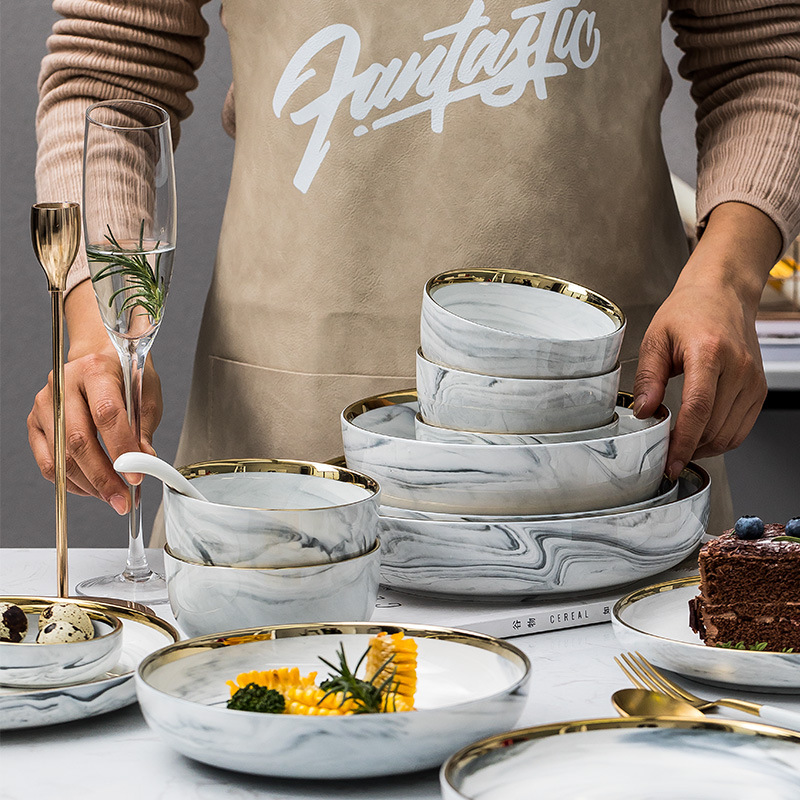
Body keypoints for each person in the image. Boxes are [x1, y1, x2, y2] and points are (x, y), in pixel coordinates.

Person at [28, 0, 800, 543]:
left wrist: (724, 282)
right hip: (279, 463)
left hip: (607, 464)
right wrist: (102, 328)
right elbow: (109, 75)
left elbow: (765, 58)